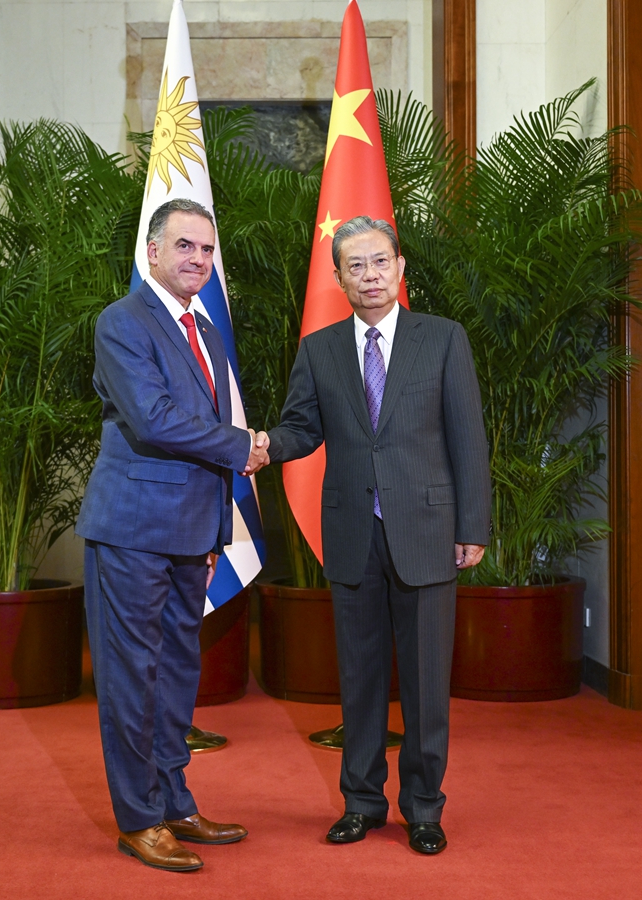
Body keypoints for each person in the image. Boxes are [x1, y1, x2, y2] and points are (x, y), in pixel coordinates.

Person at [267, 216, 491, 855]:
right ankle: (361, 803)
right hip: (351, 533)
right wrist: (259, 446)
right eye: (355, 266)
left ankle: (423, 808)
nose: (370, 275)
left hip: (428, 530)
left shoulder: (442, 338)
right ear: (338, 278)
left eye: (380, 262)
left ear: (400, 268)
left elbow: (468, 437)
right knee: (360, 679)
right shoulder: (319, 349)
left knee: (425, 683)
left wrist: (472, 525)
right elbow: (300, 428)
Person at [76, 198, 269, 872]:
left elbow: (200, 434)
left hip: (191, 531)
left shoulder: (206, 331)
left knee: (177, 674)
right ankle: (139, 818)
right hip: (132, 528)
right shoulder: (122, 321)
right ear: (152, 252)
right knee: (132, 677)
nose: (198, 259)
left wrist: (216, 527)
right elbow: (153, 419)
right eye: (184, 246)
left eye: (207, 249)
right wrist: (243, 446)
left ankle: (174, 800)